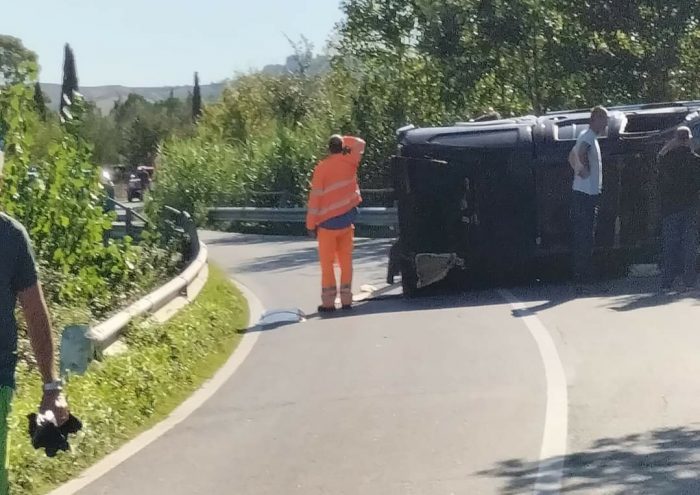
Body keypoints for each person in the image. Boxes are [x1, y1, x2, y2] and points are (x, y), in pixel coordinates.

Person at [0, 149, 70, 492]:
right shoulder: (11, 236)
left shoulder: (11, 237)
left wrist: (51, 387)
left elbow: (35, 313)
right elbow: (35, 314)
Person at [306, 135, 365, 312]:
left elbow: (315, 200)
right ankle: (347, 299)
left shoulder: (322, 169)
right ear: (342, 147)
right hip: (347, 221)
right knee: (346, 262)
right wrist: (344, 141)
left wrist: (310, 225)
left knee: (327, 264)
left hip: (327, 225)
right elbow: (360, 143)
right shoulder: (350, 161)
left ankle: (329, 303)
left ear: (328, 148)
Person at [569, 105, 608, 285]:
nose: (606, 123)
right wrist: (583, 169)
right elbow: (580, 152)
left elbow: (571, 155)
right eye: (604, 119)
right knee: (585, 235)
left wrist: (578, 167)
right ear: (596, 120)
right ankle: (583, 275)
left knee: (584, 235)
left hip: (587, 192)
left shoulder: (586, 136)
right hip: (586, 193)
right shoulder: (588, 138)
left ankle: (582, 273)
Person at [657, 126, 700, 290]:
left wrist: (668, 146)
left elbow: (658, 158)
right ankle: (689, 280)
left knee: (670, 244)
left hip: (670, 207)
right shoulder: (696, 160)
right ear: (688, 139)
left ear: (675, 139)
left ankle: (667, 280)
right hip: (691, 206)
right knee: (689, 244)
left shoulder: (666, 159)